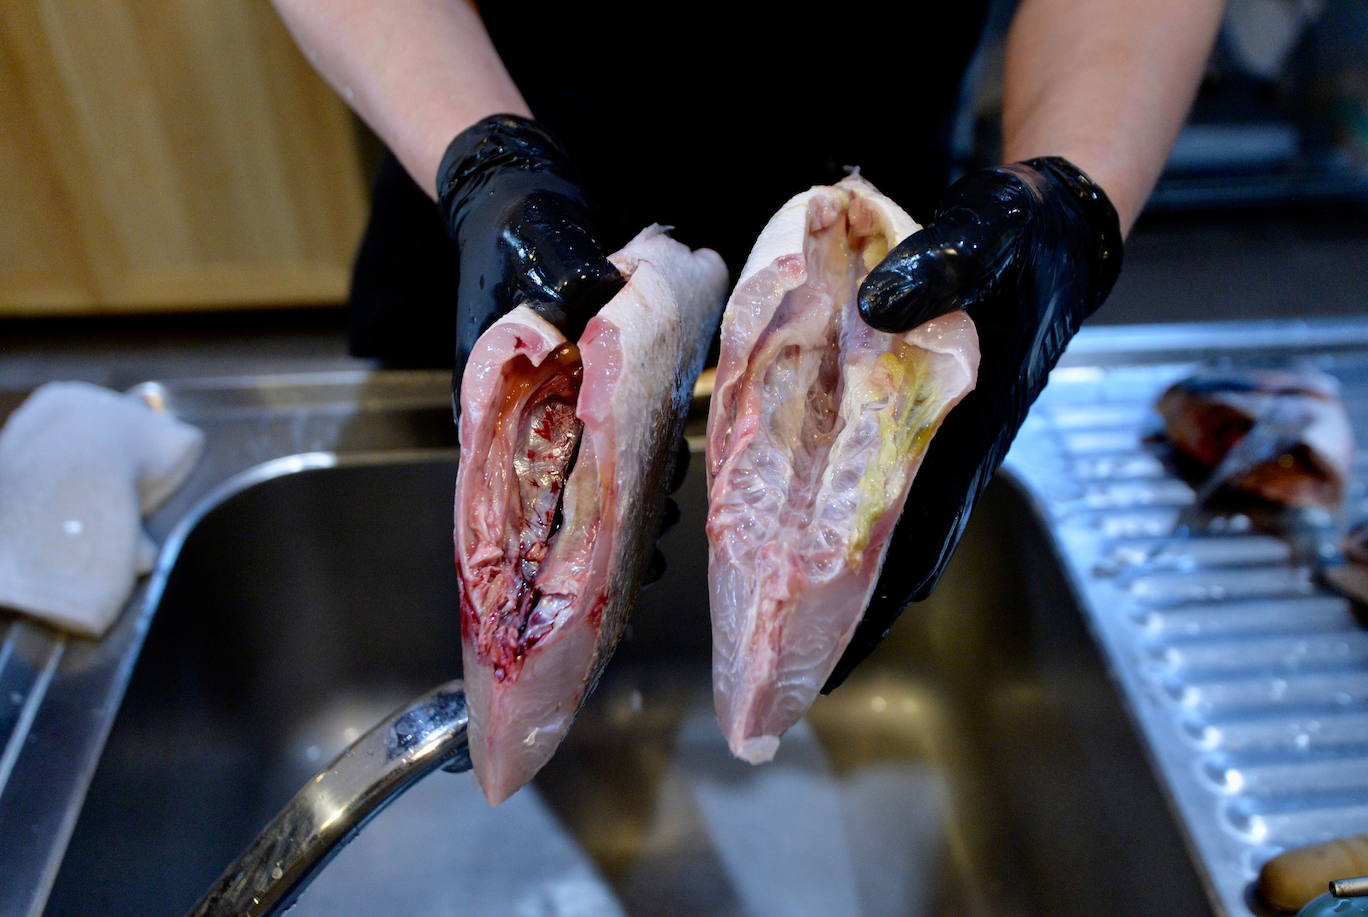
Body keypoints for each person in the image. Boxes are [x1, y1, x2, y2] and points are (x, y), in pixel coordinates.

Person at [273, 0, 1224, 686]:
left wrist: (1069, 199)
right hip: (504, 228)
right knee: (483, 610)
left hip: (879, 271)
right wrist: (483, 159)